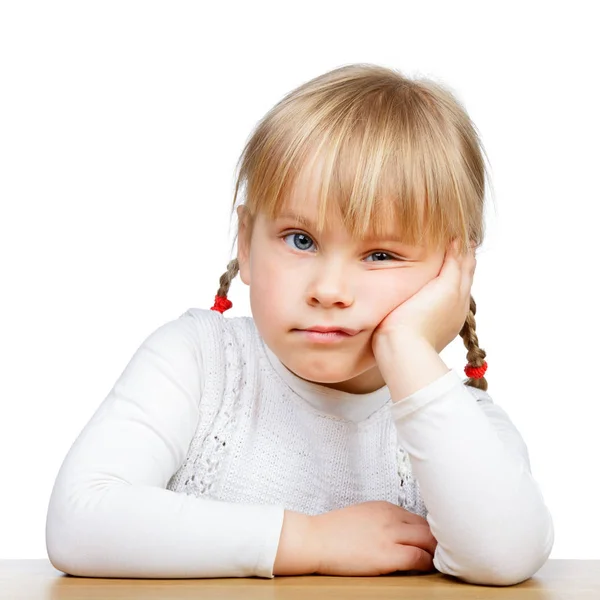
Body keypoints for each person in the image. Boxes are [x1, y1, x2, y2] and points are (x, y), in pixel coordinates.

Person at [45, 63, 554, 586]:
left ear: (454, 271)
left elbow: (504, 557)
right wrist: (312, 540)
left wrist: (406, 349)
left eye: (380, 254)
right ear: (245, 240)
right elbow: (79, 520)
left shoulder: (454, 416)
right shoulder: (198, 362)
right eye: (300, 240)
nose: (329, 290)